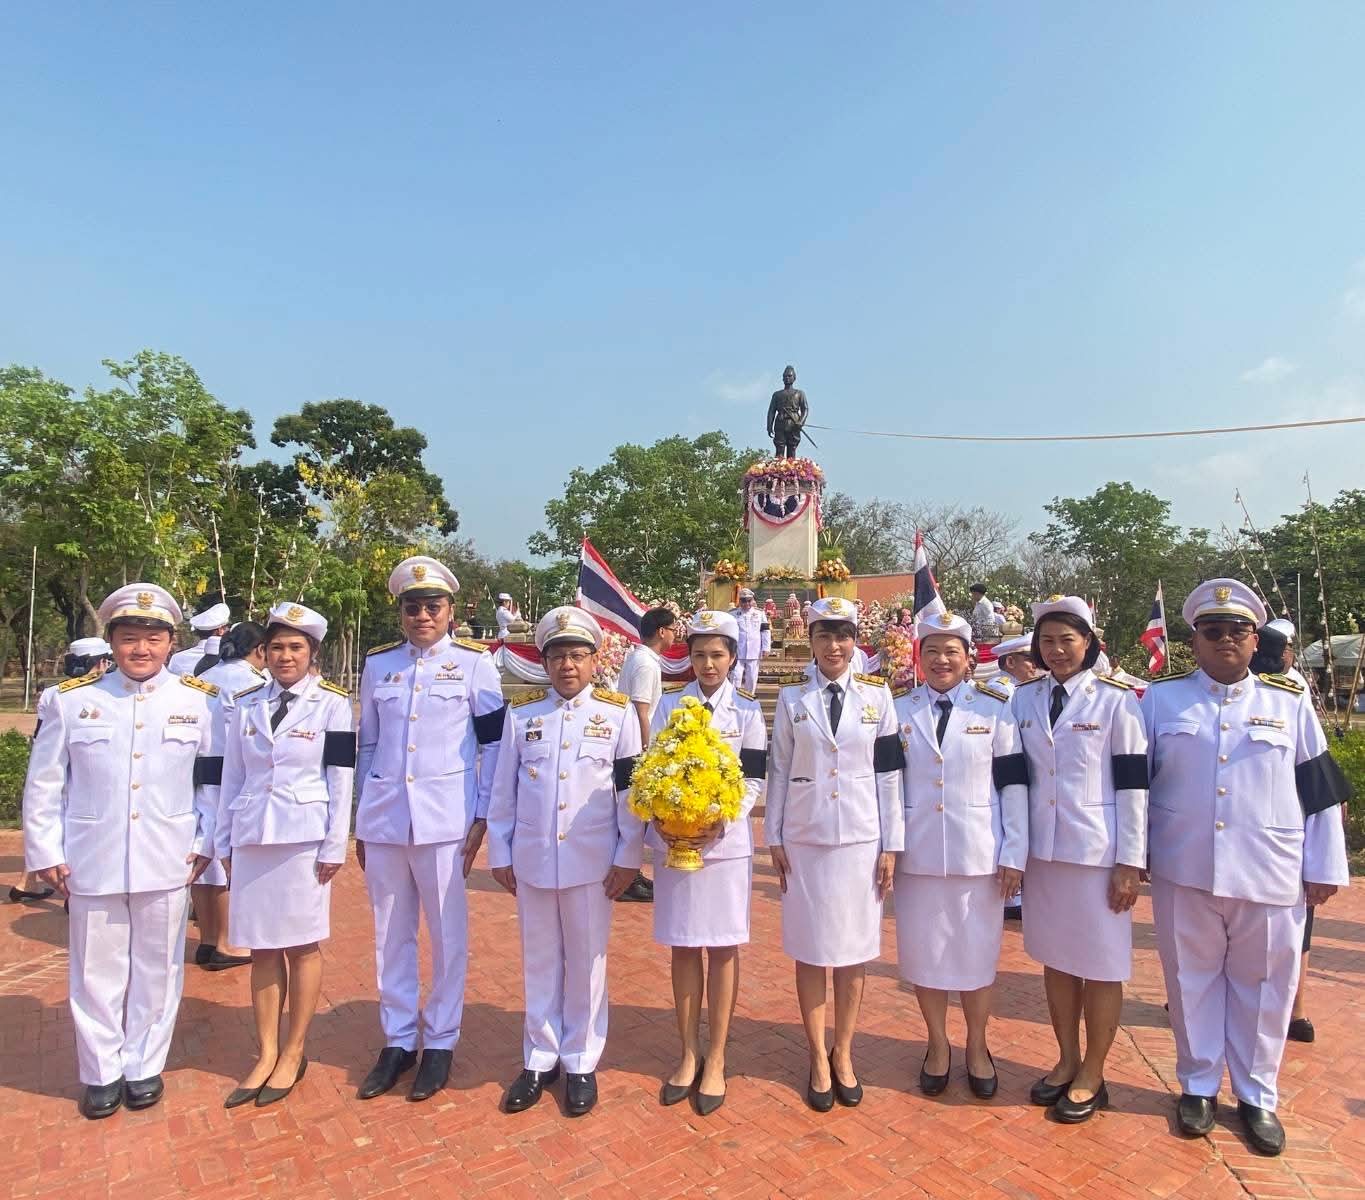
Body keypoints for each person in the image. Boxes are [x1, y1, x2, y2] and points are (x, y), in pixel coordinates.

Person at [1142, 580, 1350, 1155]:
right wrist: (1133, 857)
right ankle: (1198, 1085)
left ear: (1254, 637)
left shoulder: (1289, 700)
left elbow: (1319, 788)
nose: (1225, 639)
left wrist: (1325, 862)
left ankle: (1258, 1095)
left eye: (1237, 630)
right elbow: (1136, 786)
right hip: (1185, 866)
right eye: (1213, 631)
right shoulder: (1161, 700)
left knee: (1266, 985)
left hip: (1270, 868)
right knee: (1190, 981)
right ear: (1195, 640)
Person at [23, 584, 221, 1119]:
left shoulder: (197, 702)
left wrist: (206, 843)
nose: (142, 649)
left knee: (157, 969)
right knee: (95, 972)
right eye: (130, 637)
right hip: (91, 856)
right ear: (111, 641)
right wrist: (45, 849)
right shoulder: (72, 700)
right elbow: (44, 783)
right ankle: (101, 1071)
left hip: (169, 856)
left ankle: (143, 1065)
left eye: (153, 638)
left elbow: (213, 784)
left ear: (170, 642)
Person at [354, 556, 508, 1102]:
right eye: (412, 606)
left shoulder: (474, 664)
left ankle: (440, 1041)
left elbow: (494, 744)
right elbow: (367, 744)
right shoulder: (380, 666)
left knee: (447, 936)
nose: (422, 615)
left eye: (432, 606)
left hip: (446, 819)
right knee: (390, 935)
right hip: (386, 818)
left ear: (450, 613)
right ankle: (397, 1040)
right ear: (401, 613)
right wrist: (360, 818)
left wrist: (483, 815)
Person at [486, 606, 645, 1117]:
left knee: (587, 962)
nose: (567, 665)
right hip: (533, 857)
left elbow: (629, 795)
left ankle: (580, 1060)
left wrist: (628, 857)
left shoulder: (618, 715)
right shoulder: (523, 715)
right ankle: (539, 1057)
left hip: (592, 863)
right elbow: (503, 791)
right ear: (544, 661)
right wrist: (500, 850)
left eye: (577, 655)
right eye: (557, 656)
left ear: (596, 660)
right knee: (539, 960)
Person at [765, 596, 905, 1112]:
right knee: (810, 948)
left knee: (851, 951)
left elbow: (889, 774)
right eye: (824, 635)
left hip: (861, 840)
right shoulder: (790, 699)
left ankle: (843, 1053)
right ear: (812, 641)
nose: (834, 646)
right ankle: (815, 1057)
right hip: (805, 838)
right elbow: (779, 768)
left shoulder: (878, 696)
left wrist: (893, 842)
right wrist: (774, 837)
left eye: (843, 636)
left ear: (855, 642)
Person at [1012, 595, 1147, 1123]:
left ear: (1088, 643)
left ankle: (1094, 1070)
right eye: (1047, 641)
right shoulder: (1023, 699)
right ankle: (1066, 1058)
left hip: (1099, 855)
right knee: (1057, 959)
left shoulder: (1116, 700)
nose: (1057, 650)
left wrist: (1130, 861)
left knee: (1102, 965)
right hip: (1045, 852)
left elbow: (1134, 784)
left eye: (1067, 640)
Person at [216, 603, 354, 1109]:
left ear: (311, 653)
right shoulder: (248, 703)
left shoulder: (332, 705)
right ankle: (266, 1051)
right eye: (276, 647)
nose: (285, 655)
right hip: (252, 835)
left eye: (296, 647)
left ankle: (294, 1050)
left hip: (303, 841)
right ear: (264, 652)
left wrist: (335, 843)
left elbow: (341, 779)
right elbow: (233, 774)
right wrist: (223, 841)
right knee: (262, 948)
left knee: (301, 946)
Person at [893, 613, 1027, 1100]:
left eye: (951, 651)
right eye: (931, 650)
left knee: (977, 956)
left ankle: (976, 1045)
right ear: (919, 657)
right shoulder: (898, 709)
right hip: (918, 852)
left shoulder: (997, 708)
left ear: (970, 659)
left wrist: (1015, 851)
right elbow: (888, 787)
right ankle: (936, 1044)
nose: (941, 660)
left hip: (979, 853)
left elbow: (1013, 785)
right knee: (924, 955)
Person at [649, 610, 766, 1115]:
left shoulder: (747, 710)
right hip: (676, 847)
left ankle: (716, 1056)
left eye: (717, 654)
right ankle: (687, 1052)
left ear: (733, 658)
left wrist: (722, 817)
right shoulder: (670, 706)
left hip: (724, 847)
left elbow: (756, 778)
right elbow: (651, 768)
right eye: (699, 654)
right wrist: (664, 815)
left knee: (720, 949)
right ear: (688, 657)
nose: (708, 663)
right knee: (682, 946)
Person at [190, 622, 269, 971]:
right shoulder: (256, 683)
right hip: (230, 773)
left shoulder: (208, 676)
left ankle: (207, 939)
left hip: (199, 770)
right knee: (225, 854)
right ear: (260, 649)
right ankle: (227, 943)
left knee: (203, 854)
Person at [615, 607, 680, 904]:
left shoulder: (642, 659)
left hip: (633, 744)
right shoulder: (645, 663)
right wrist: (645, 754)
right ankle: (629, 876)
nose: (675, 634)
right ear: (662, 631)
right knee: (637, 816)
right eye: (673, 628)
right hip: (637, 746)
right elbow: (643, 710)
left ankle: (631, 873)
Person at [169, 601, 230, 675]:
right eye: (227, 628)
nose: (228, 631)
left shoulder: (176, 658)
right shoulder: (227, 661)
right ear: (220, 631)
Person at [731, 589, 771, 693]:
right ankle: (733, 698)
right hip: (737, 651)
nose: (747, 604)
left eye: (749, 601)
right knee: (735, 676)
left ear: (752, 601)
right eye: (744, 601)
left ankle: (749, 699)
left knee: (752, 678)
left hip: (754, 650)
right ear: (739, 601)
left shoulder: (759, 613)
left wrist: (766, 648)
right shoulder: (733, 614)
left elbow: (765, 631)